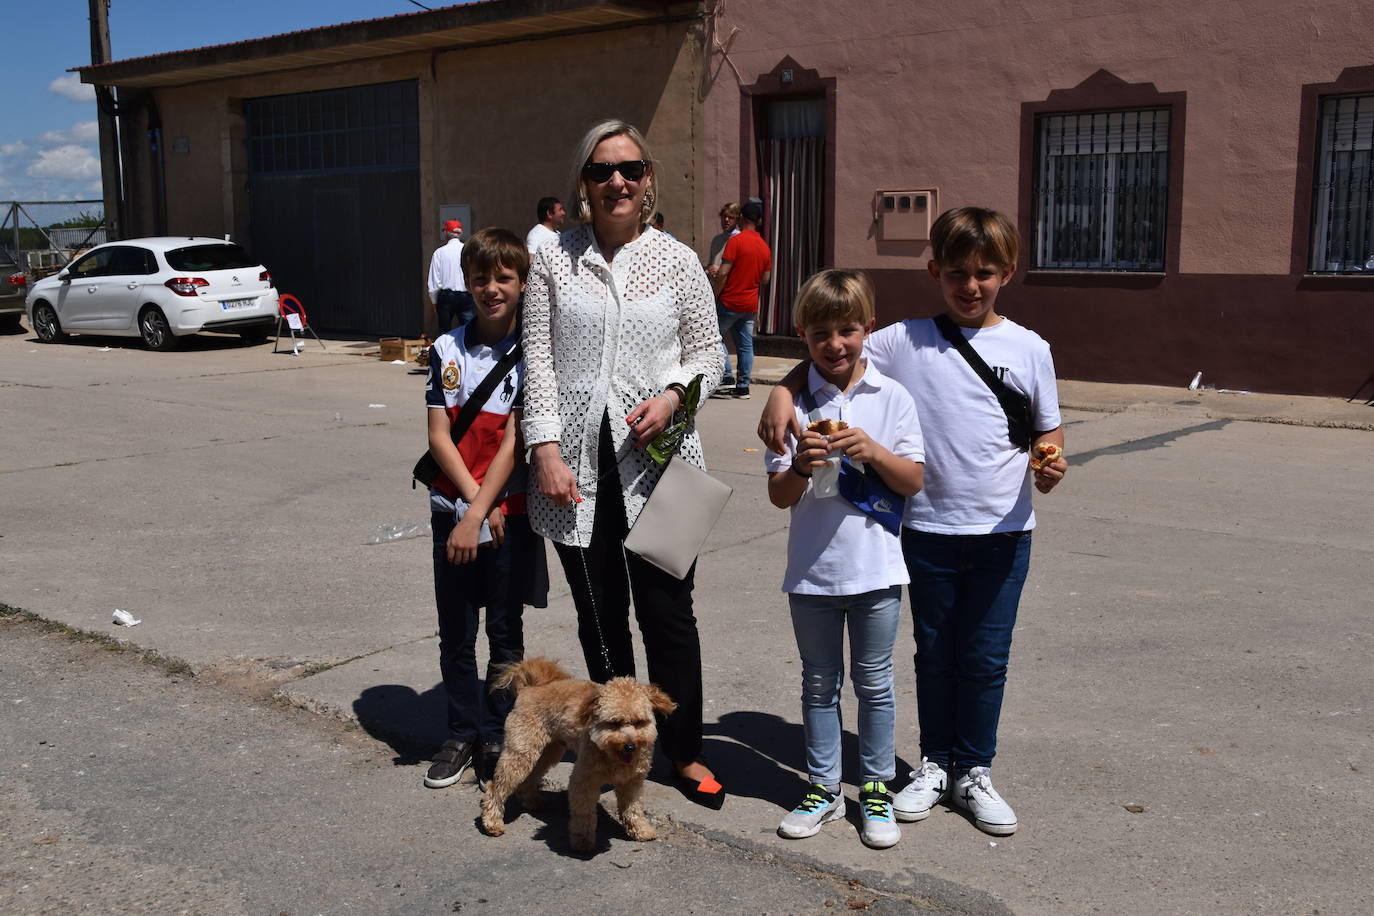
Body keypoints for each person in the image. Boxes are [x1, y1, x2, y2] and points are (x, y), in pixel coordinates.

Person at [759, 206, 1068, 837]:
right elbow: (832, 346)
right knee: (933, 654)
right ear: (934, 272)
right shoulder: (905, 339)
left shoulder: (1030, 347)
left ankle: (973, 770)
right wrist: (783, 391)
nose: (970, 285)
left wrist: (1051, 458)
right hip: (924, 530)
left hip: (1004, 529)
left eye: (984, 273)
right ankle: (931, 764)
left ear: (1007, 273)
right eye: (957, 272)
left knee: (985, 657)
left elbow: (1047, 427)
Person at [521, 119, 728, 808]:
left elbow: (710, 354)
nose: (617, 182)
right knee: (602, 618)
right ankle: (618, 747)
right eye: (602, 170)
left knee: (671, 616)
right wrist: (544, 448)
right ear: (583, 182)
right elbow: (539, 359)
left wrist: (674, 396)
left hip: (661, 467)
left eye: (630, 169)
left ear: (648, 180)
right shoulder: (554, 257)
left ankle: (686, 749)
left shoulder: (677, 260)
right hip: (576, 471)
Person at [764, 269, 924, 849]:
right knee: (818, 682)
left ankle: (876, 788)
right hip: (811, 571)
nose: (836, 344)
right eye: (822, 333)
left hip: (878, 568)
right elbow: (779, 494)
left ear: (868, 330)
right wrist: (801, 464)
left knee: (875, 683)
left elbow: (912, 481)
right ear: (802, 336)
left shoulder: (893, 397)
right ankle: (825, 787)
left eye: (848, 330)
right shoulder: (793, 406)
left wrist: (873, 450)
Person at [423, 227, 549, 791]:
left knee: (504, 632)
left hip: (509, 514)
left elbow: (515, 442)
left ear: (522, 283)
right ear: (466, 283)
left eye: (504, 278)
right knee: (456, 629)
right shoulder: (446, 349)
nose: (491, 288)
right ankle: (461, 730)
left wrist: (488, 507)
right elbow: (439, 437)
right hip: (455, 510)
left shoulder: (535, 355)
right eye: (481, 278)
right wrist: (473, 507)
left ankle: (500, 731)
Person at [712, 197, 771, 399]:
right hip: (750, 304)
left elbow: (722, 273)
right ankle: (743, 386)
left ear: (742, 218)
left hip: (730, 301)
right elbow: (765, 278)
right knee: (746, 346)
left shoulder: (735, 241)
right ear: (759, 221)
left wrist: (715, 294)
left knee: (713, 336)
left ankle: (727, 375)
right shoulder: (764, 246)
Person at [428, 219, 476, 332]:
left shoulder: (439, 253)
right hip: (466, 295)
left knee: (445, 332)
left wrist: (434, 302)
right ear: (460, 233)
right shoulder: (468, 251)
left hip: (446, 297)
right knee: (469, 331)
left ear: (445, 233)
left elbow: (434, 282)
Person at [704, 202, 741, 278]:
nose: (726, 220)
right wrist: (710, 269)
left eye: (730, 217)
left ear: (737, 219)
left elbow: (740, 267)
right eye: (724, 216)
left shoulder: (739, 239)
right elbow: (711, 262)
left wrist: (721, 270)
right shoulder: (717, 239)